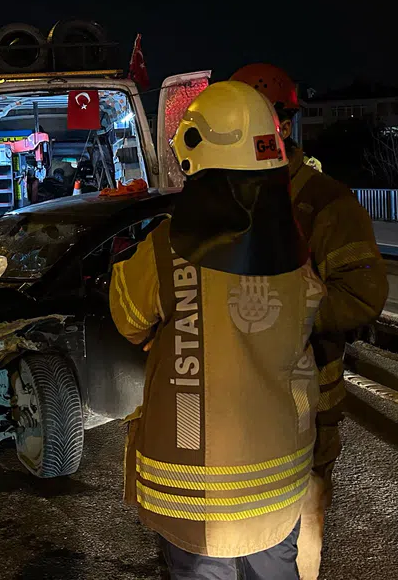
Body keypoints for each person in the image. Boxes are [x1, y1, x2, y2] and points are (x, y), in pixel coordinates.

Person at [109, 81, 325, 579]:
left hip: (198, 490)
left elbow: (128, 318)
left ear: (195, 153)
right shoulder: (296, 248)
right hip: (281, 476)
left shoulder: (167, 249)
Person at [231, 63, 388, 579]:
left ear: (282, 123)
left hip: (306, 403)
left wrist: (287, 314)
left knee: (300, 525)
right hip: (236, 403)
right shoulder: (225, 200)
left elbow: (363, 296)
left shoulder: (325, 202)